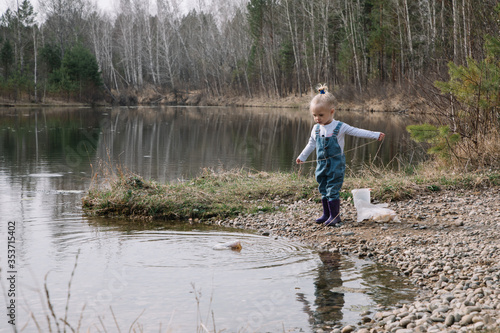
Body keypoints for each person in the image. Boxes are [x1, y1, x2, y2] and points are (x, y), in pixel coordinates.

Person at [296, 84, 385, 226]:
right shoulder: (316, 129)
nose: (317, 118)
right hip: (321, 165)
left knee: (332, 189)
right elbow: (311, 144)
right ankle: (326, 214)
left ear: (331, 112)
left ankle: (335, 216)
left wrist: (375, 135)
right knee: (323, 188)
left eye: (321, 115)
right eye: (314, 115)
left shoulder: (339, 127)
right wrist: (302, 156)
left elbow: (357, 131)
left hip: (335, 165)